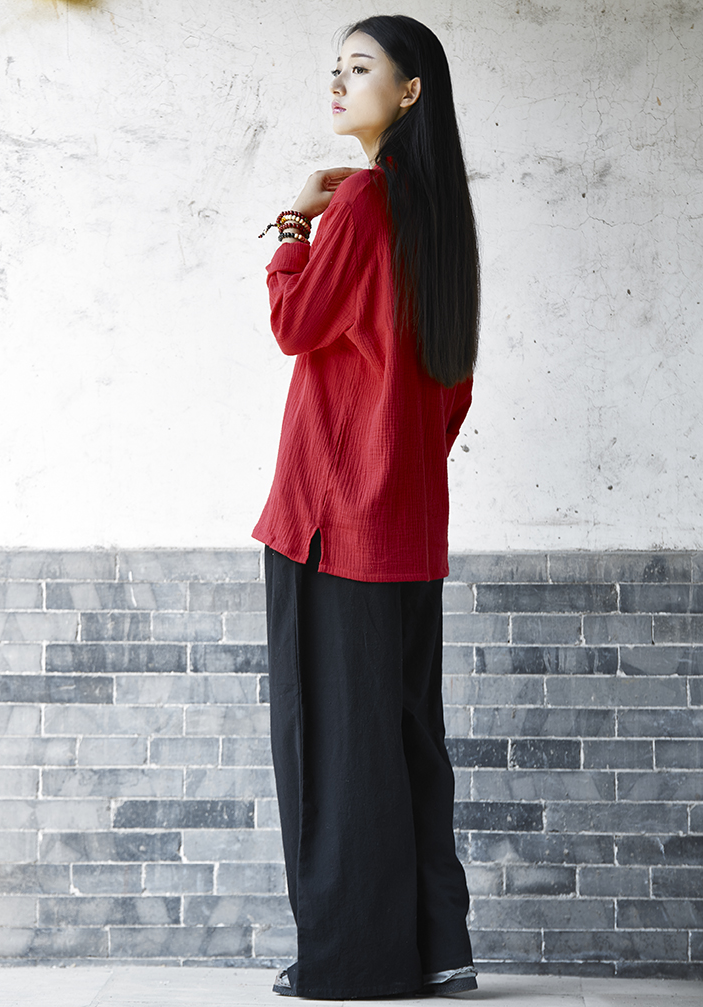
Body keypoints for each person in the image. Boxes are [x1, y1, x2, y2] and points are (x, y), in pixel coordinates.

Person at [253, 13, 479, 1001]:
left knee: (332, 749)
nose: (338, 83)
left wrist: (291, 225)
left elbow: (295, 323)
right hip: (407, 526)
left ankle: (351, 961)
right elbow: (451, 389)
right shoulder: (442, 216)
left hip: (331, 519)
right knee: (405, 737)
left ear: (410, 90)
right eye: (335, 68)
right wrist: (401, 468)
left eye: (359, 68)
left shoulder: (363, 201)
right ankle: (439, 949)